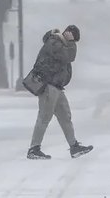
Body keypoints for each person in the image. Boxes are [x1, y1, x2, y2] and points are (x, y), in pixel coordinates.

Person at [27, 24, 93, 160]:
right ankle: (34, 149)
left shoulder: (60, 44)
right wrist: (70, 43)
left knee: (65, 117)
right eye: (74, 39)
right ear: (68, 35)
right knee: (44, 117)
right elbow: (69, 56)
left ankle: (74, 147)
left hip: (57, 87)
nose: (73, 43)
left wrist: (69, 43)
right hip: (48, 86)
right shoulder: (54, 42)